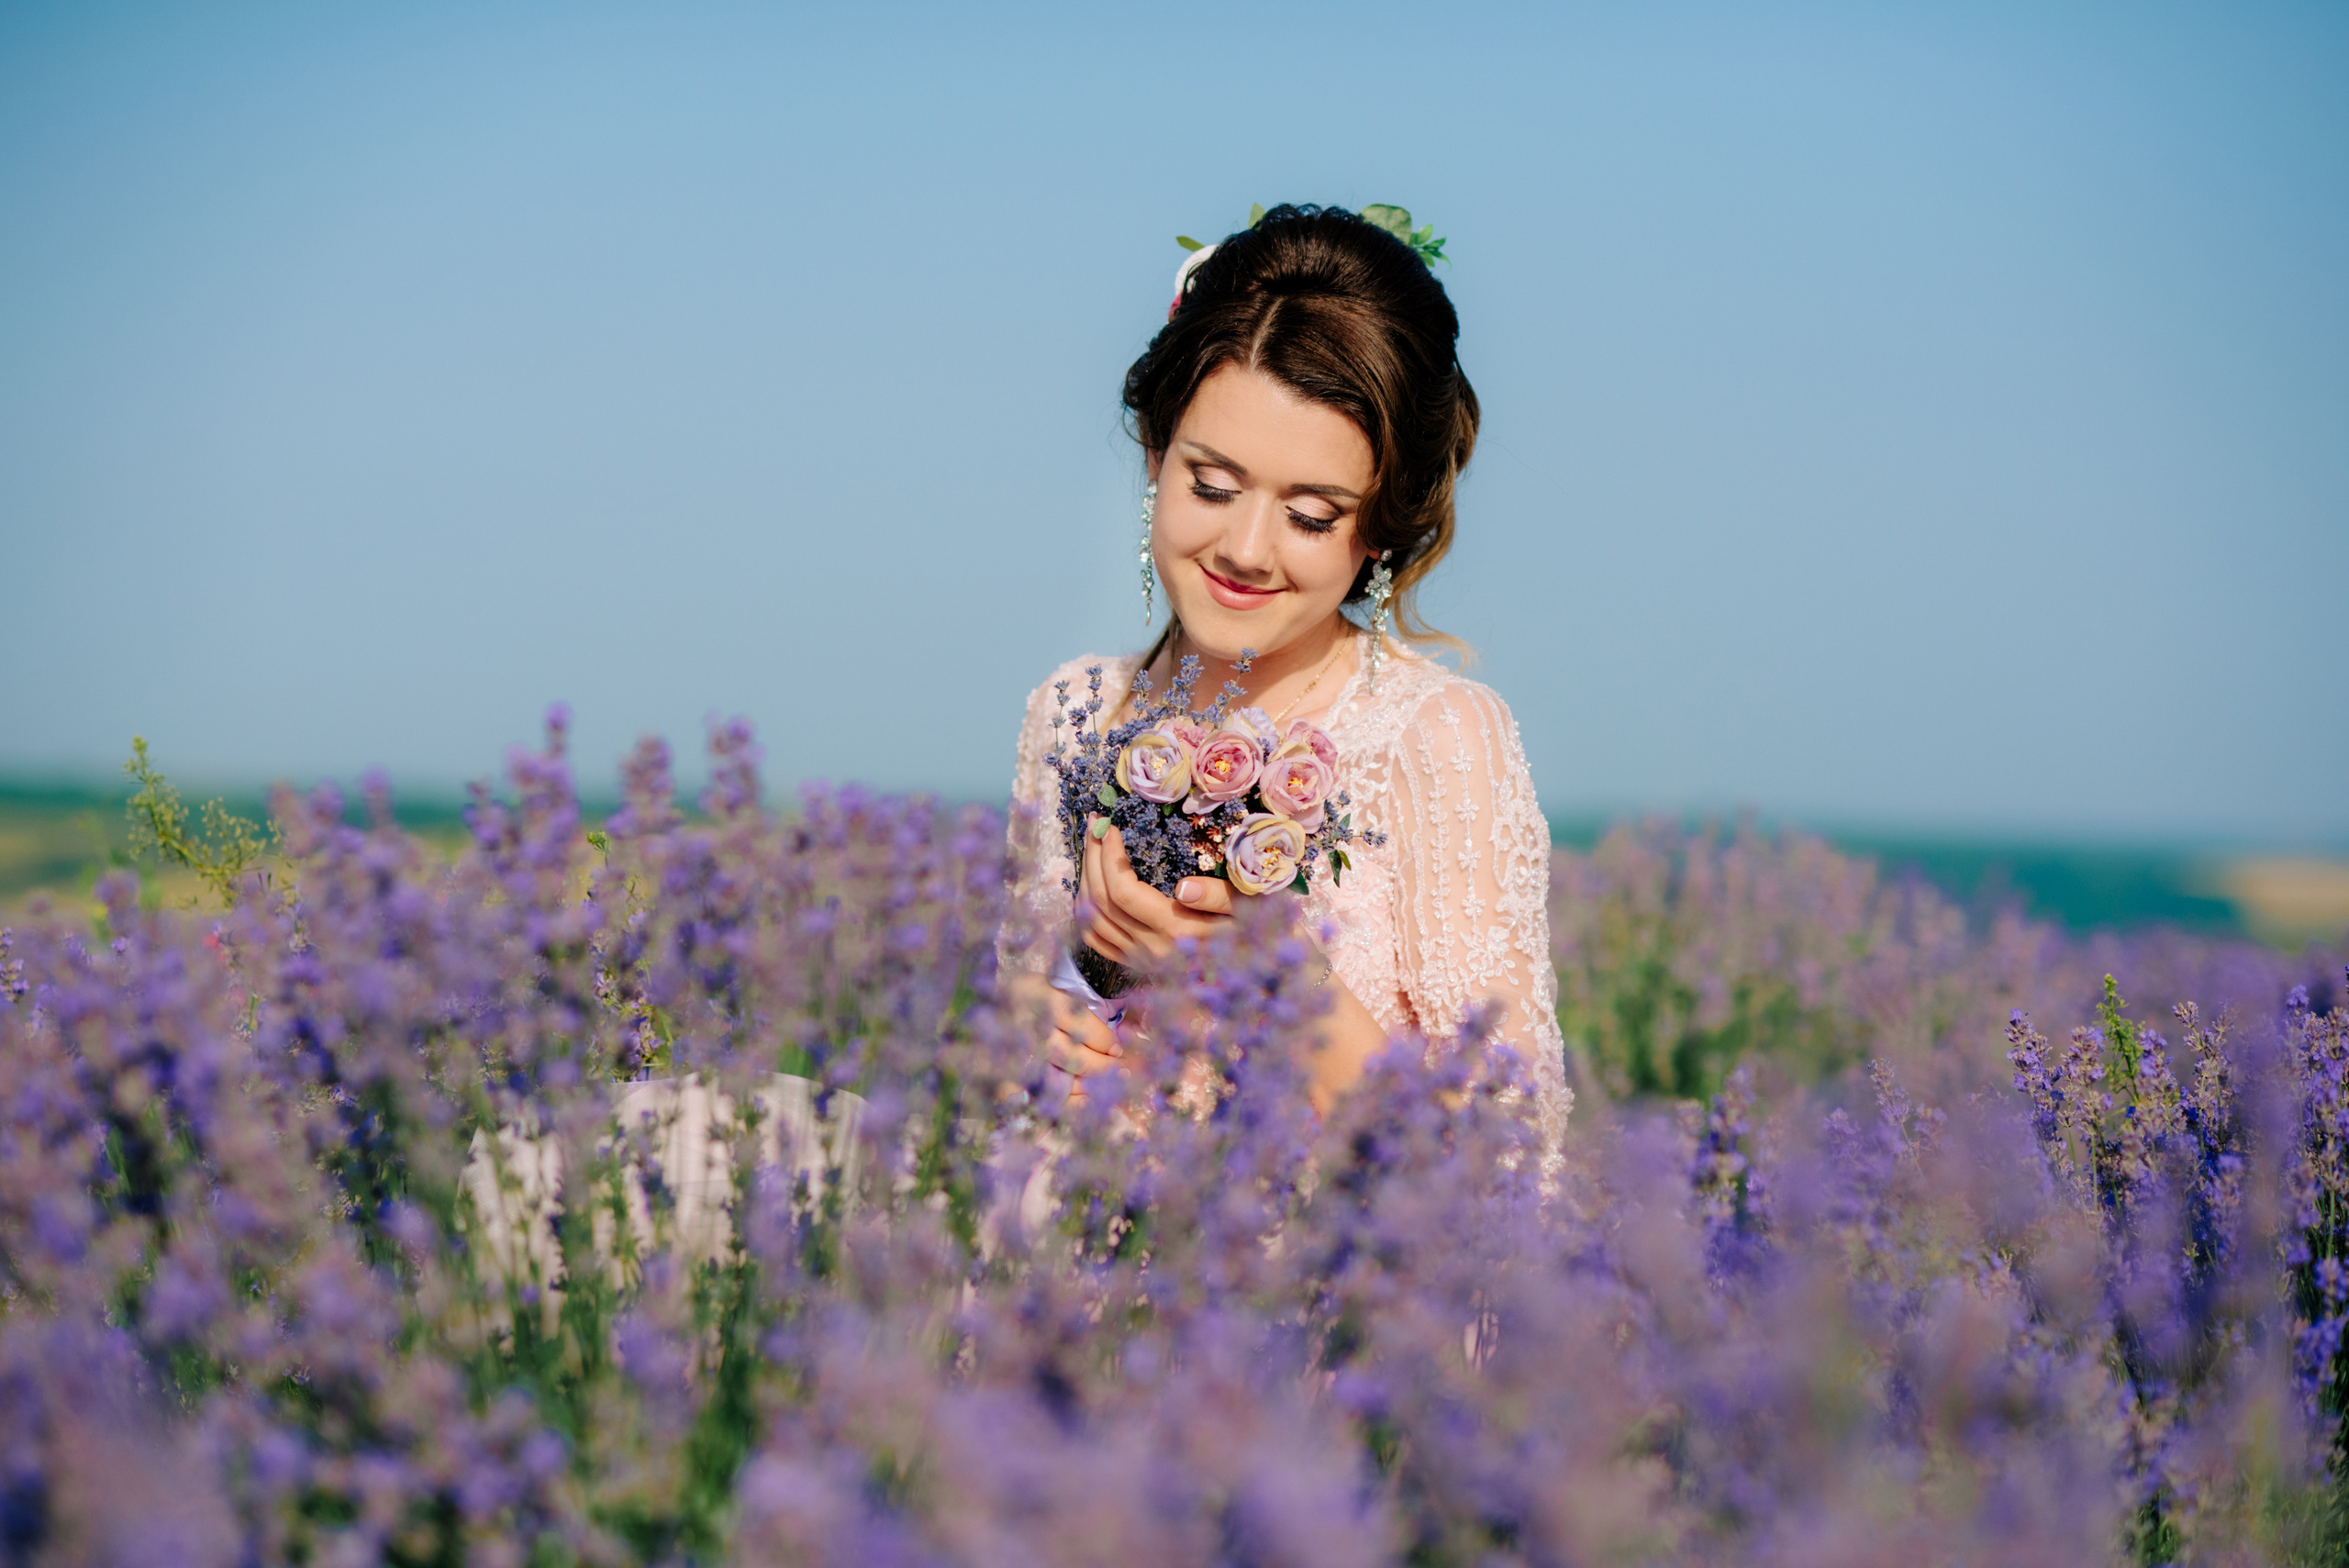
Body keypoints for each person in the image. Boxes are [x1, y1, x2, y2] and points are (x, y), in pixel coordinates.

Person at [999, 203, 1570, 1159]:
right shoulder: (1073, 711)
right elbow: (1025, 1009)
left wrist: (1269, 978)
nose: (1247, 548)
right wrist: (1034, 1028)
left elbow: (1507, 1158)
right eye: (1212, 486)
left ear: (1380, 526)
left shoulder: (1434, 736)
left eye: (1310, 514)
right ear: (1156, 454)